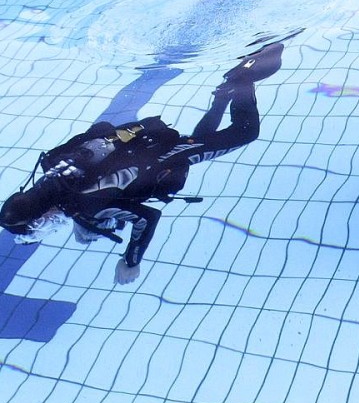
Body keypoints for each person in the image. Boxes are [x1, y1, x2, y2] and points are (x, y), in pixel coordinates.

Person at [0, 36, 290, 285]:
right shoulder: (51, 169)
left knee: (245, 133)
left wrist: (131, 260)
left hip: (162, 154)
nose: (47, 227)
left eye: (40, 226)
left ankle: (241, 81)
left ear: (44, 215)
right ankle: (223, 96)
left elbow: (147, 217)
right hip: (151, 149)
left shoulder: (85, 203)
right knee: (194, 151)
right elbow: (95, 138)